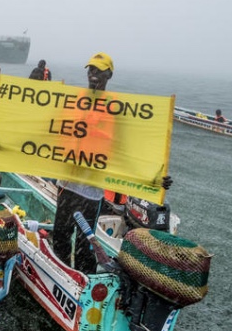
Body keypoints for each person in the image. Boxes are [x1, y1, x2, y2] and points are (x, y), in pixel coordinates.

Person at [52, 52, 172, 274]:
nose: (93, 74)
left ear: (109, 74)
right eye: (91, 70)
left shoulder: (116, 109)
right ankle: (59, 273)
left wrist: (155, 179)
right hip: (67, 184)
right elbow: (51, 132)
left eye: (98, 70)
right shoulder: (74, 101)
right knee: (60, 232)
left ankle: (85, 280)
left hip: (92, 191)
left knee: (84, 242)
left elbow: (128, 149)